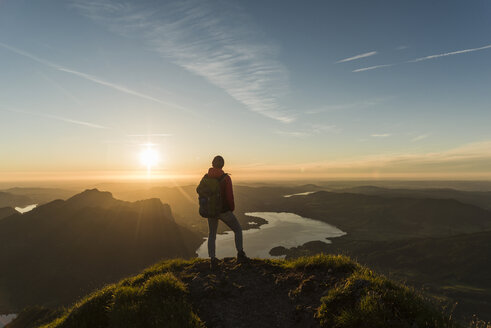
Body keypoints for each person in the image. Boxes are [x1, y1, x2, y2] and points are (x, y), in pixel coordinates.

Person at [204, 155, 247, 268]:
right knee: (237, 229)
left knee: (212, 234)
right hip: (224, 211)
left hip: (211, 210)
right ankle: (240, 253)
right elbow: (229, 196)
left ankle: (212, 259)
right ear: (222, 165)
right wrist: (231, 209)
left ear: (212, 164)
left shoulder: (206, 177)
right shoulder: (226, 178)